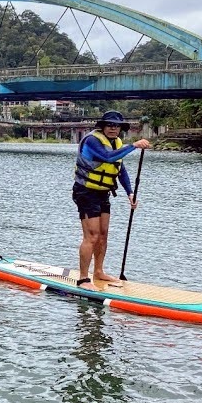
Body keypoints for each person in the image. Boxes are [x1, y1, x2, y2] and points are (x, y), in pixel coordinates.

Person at [72, 110, 151, 290]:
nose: (113, 128)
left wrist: (130, 193)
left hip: (103, 193)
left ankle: (98, 271)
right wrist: (134, 145)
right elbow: (108, 157)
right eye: (109, 125)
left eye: (116, 126)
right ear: (102, 126)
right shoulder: (92, 140)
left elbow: (119, 169)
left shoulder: (116, 143)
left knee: (103, 235)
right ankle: (83, 279)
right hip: (86, 192)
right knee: (91, 236)